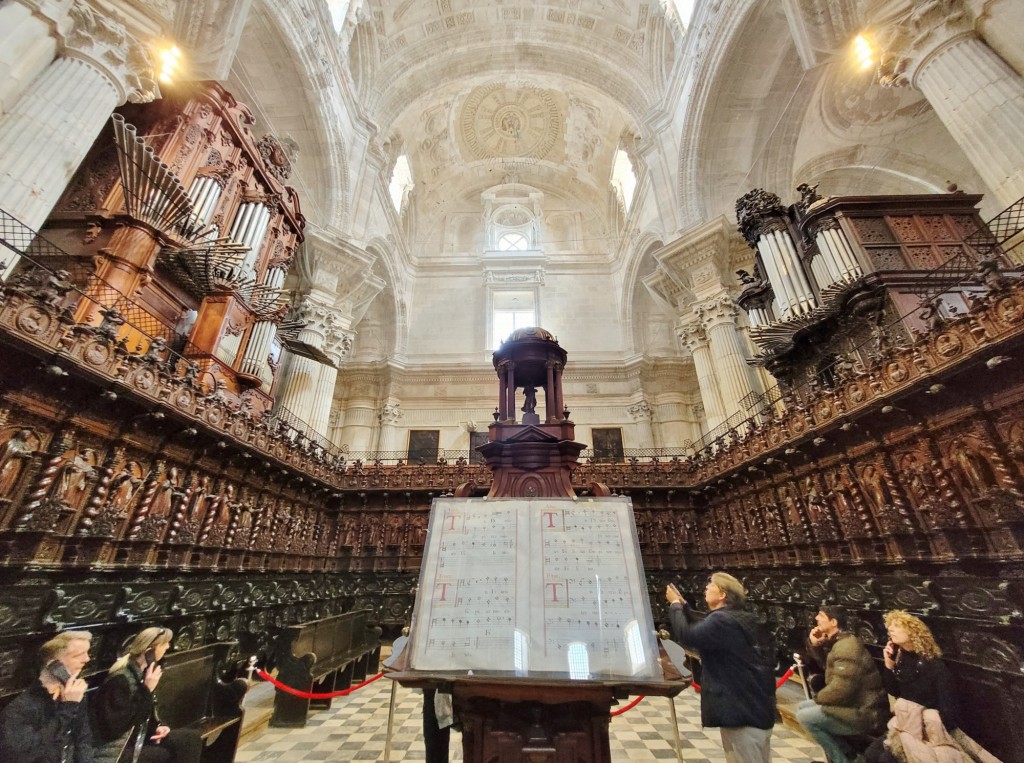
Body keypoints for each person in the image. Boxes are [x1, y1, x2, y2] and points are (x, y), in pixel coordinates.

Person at [665, 572, 776, 763]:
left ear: (723, 594)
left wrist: (675, 606)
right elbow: (704, 627)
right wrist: (685, 607)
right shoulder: (740, 618)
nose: (705, 589)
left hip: (741, 711)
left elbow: (688, 636)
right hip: (755, 706)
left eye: (710, 586)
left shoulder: (722, 621)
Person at [90, 627, 202, 763]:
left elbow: (143, 714)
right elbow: (117, 726)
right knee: (163, 754)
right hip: (115, 750)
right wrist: (146, 690)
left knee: (190, 738)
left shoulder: (142, 674)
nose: (168, 646)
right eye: (164, 643)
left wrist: (157, 728)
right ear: (150, 650)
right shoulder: (120, 679)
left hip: (135, 739)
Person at [864, 611, 963, 763]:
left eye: (896, 626)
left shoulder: (934, 666)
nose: (890, 629)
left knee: (886, 759)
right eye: (889, 626)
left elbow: (950, 712)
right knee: (871, 753)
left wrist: (921, 724)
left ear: (912, 631)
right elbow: (893, 690)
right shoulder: (902, 659)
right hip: (906, 723)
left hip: (926, 729)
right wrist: (889, 666)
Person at [797, 605, 888, 763]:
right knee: (802, 707)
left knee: (804, 716)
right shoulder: (839, 642)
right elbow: (829, 668)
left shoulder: (848, 647)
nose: (816, 618)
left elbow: (841, 688)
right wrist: (816, 645)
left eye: (821, 615)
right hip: (852, 705)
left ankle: (843, 759)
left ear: (833, 622)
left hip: (865, 712)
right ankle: (848, 753)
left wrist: (819, 700)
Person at [0, 629, 95, 763]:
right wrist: (67, 709)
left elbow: (83, 740)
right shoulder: (21, 707)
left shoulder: (76, 696)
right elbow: (26, 754)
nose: (87, 659)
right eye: (78, 655)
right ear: (54, 665)